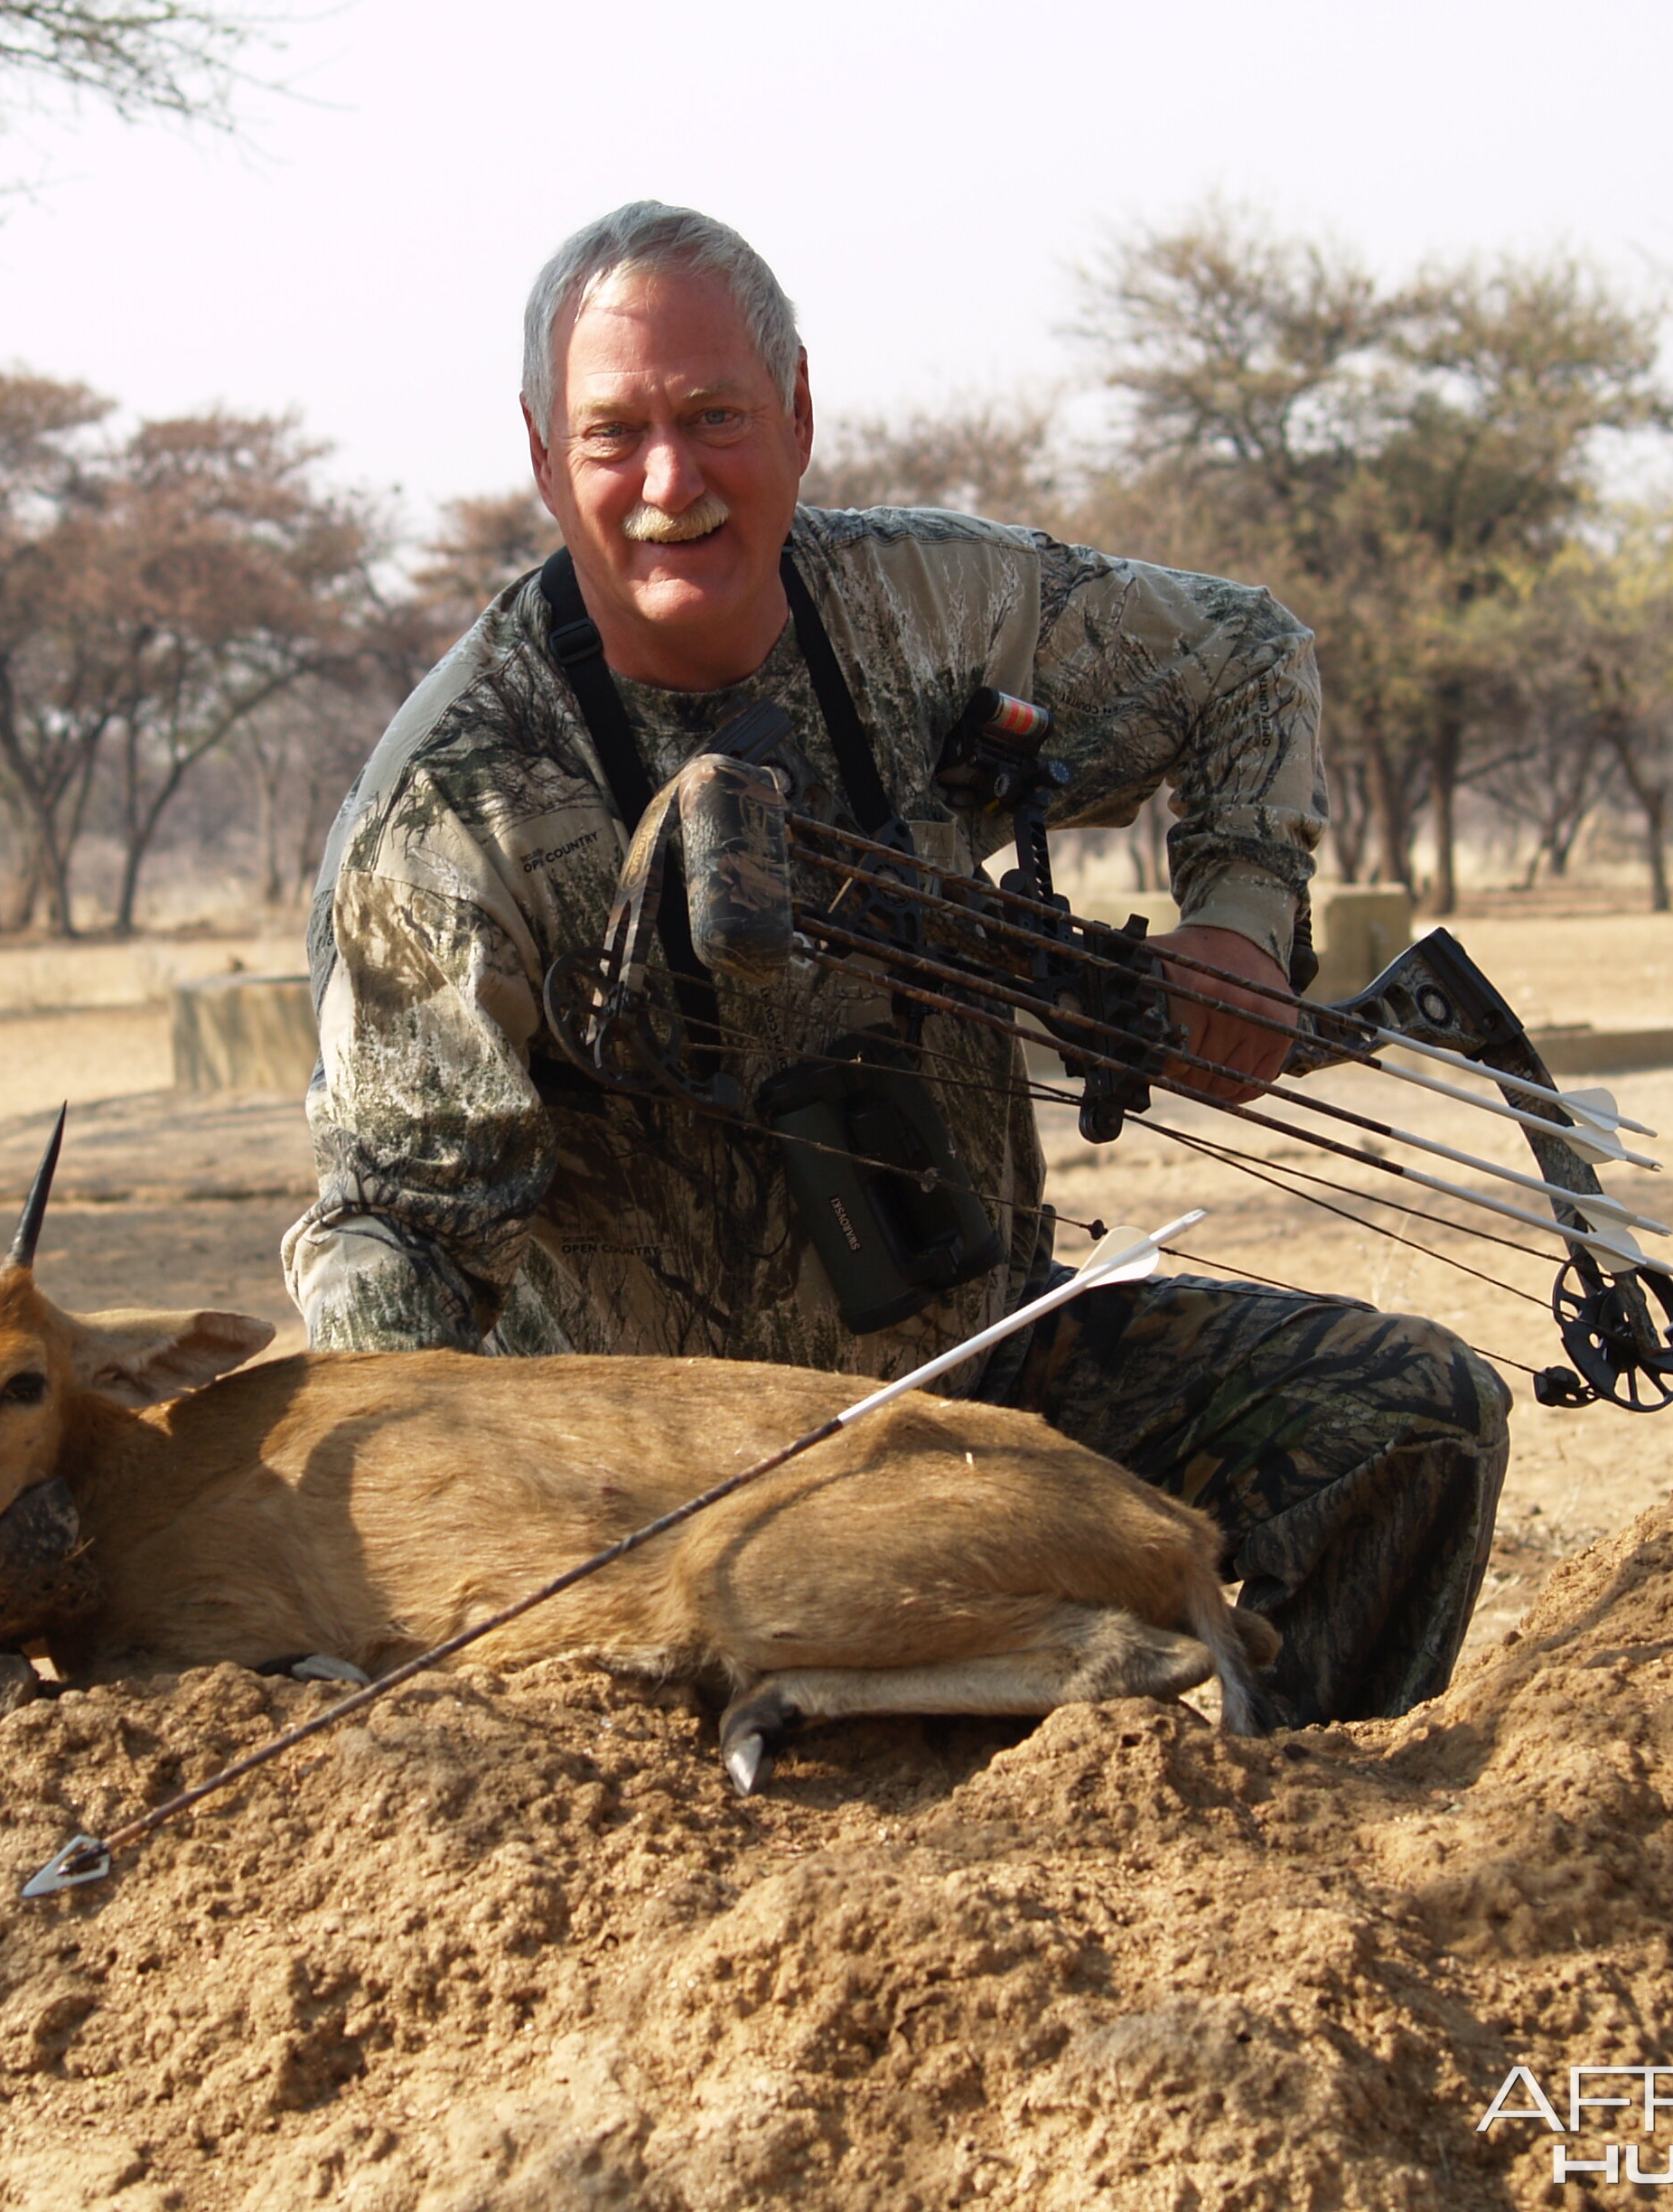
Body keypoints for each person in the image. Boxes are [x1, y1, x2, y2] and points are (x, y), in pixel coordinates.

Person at [281, 202, 1508, 1727]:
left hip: (980, 1376)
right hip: (664, 1502)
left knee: (1413, 1417)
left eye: (714, 416)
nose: (670, 483)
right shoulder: (446, 810)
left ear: (797, 415)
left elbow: (1248, 655)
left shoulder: (929, 607)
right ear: (543, 458)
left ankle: (1290, 1843)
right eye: (614, 435)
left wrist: (1238, 924)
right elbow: (392, 1239)